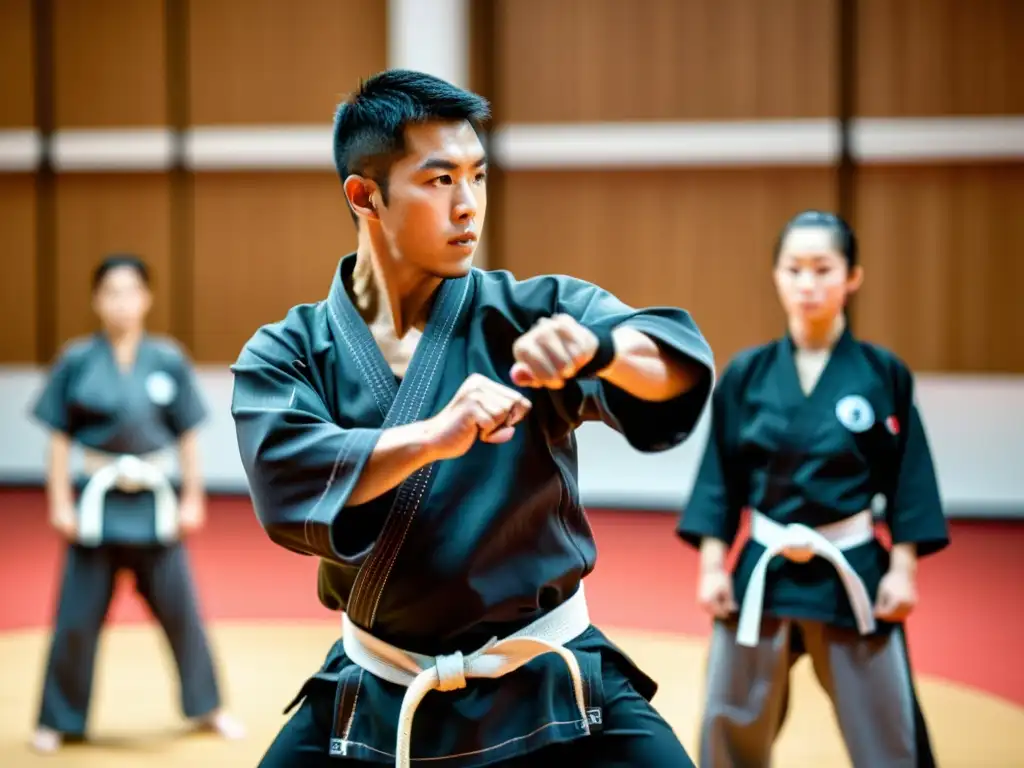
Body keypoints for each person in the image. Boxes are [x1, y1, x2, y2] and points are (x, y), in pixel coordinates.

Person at [230, 69, 716, 767]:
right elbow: (288, 482)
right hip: (381, 689)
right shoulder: (288, 351)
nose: (470, 206)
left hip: (549, 679)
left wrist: (601, 350)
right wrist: (432, 437)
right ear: (364, 196)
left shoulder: (525, 311)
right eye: (439, 181)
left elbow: (669, 363)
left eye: (478, 176)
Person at [677, 210, 950, 767]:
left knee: (886, 727)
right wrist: (711, 567)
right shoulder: (748, 374)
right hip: (764, 568)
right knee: (728, 720)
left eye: (823, 269)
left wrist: (903, 569)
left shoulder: (882, 374)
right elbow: (719, 477)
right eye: (794, 269)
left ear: (852, 277)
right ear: (776, 275)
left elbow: (908, 478)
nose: (807, 284)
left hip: (852, 573)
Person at [29, 254, 245, 754]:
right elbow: (59, 438)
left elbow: (188, 434)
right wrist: (59, 500)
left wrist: (193, 495)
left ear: (146, 298)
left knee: (182, 611)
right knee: (76, 617)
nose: (122, 302)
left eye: (130, 291)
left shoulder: (166, 358)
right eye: (111, 292)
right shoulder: (76, 360)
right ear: (96, 300)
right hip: (95, 506)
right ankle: (59, 718)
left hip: (153, 502)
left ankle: (207, 705)